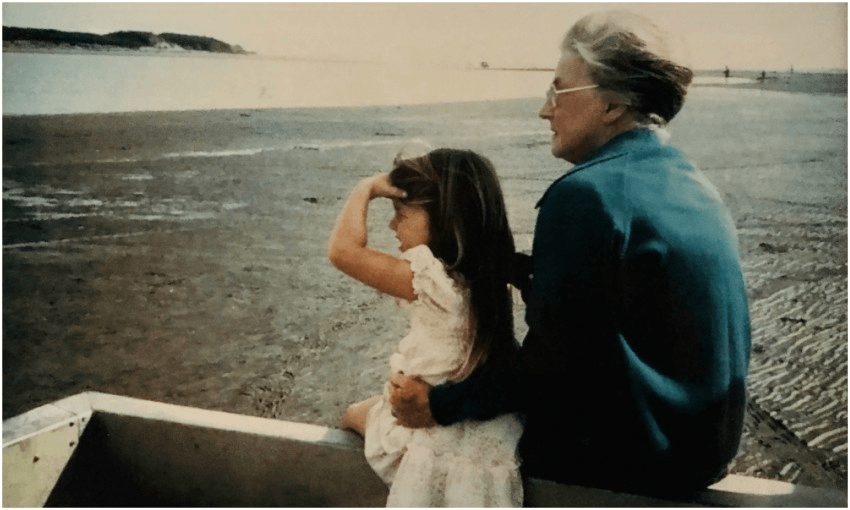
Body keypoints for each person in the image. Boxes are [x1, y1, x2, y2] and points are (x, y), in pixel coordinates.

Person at [389, 10, 751, 498]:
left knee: (422, 436)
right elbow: (618, 301)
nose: (545, 110)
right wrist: (518, 269)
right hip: (700, 453)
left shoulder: (585, 194)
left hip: (629, 465)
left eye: (558, 90)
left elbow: (549, 364)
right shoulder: (693, 186)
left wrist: (438, 405)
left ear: (613, 105)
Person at [328, 147, 524, 506]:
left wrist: (365, 188)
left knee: (352, 414)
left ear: (447, 219)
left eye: (400, 214)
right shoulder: (486, 280)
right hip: (477, 420)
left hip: (424, 421)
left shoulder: (434, 282)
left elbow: (342, 251)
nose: (392, 226)